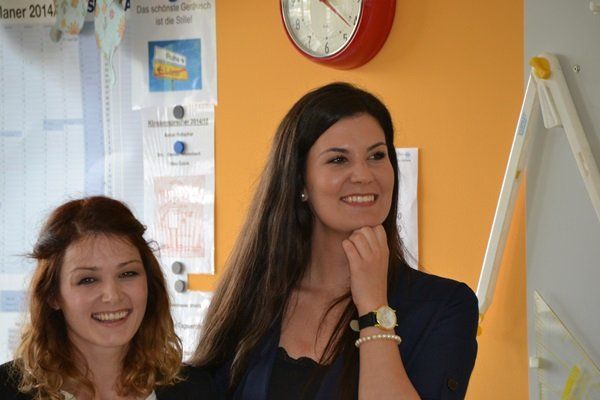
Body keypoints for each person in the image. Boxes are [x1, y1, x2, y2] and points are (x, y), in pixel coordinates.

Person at [192, 82, 479, 399]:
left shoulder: (444, 306)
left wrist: (374, 307)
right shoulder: (253, 296)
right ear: (301, 181)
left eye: (377, 155)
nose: (364, 175)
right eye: (339, 160)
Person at [0, 196, 216, 400]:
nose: (112, 296)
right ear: (52, 295)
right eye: (88, 280)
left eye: (127, 274)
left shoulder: (198, 390)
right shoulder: (5, 390)